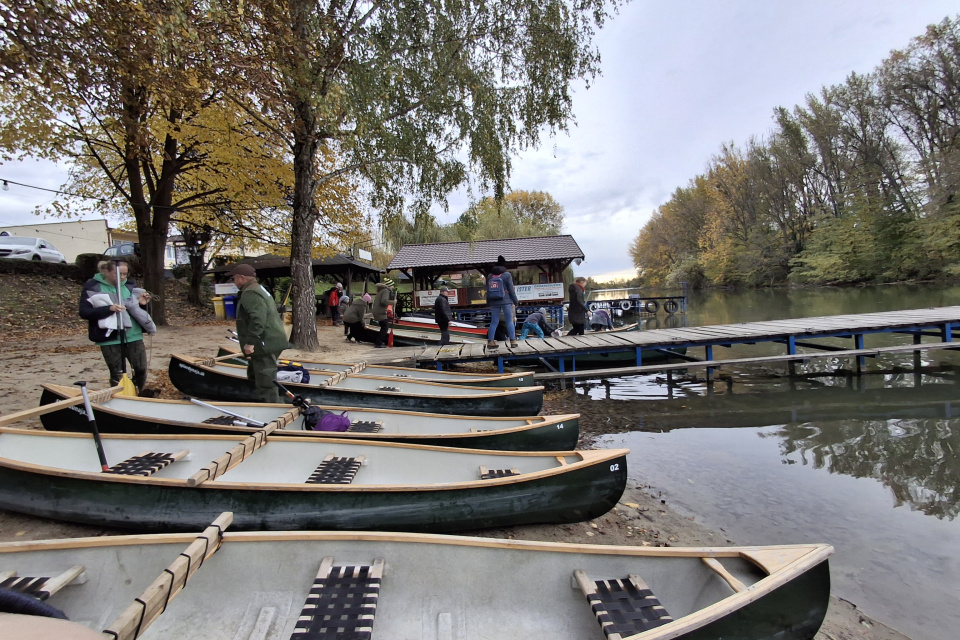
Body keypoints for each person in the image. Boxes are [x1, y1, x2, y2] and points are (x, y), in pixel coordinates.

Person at [79, 260, 155, 394]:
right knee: (117, 373)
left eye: (125, 274)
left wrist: (143, 304)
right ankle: (120, 396)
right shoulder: (93, 288)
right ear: (107, 272)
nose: (122, 277)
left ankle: (137, 393)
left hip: (133, 335)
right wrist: (109, 309)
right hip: (110, 338)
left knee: (141, 369)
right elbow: (84, 312)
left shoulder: (131, 287)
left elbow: (138, 310)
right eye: (118, 274)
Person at [229, 263, 289, 403]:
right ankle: (254, 399)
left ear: (242, 278)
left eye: (234, 278)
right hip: (271, 339)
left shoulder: (250, 293)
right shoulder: (259, 288)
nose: (234, 281)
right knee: (254, 372)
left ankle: (273, 408)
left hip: (264, 343)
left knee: (266, 379)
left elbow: (258, 319)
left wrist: (250, 342)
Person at [486, 265, 519, 348]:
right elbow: (511, 289)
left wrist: (488, 302)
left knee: (494, 322)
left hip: (493, 301)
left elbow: (488, 290)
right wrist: (515, 301)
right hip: (506, 300)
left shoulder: (490, 276)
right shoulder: (507, 275)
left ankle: (490, 341)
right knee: (509, 321)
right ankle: (513, 341)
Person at [372, 278, 396, 348]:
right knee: (385, 327)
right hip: (380, 312)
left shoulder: (381, 291)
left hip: (377, 311)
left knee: (383, 327)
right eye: (392, 285)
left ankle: (379, 342)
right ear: (390, 286)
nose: (393, 287)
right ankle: (378, 343)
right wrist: (393, 302)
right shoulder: (386, 291)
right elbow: (384, 301)